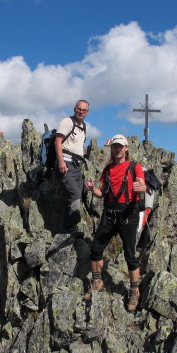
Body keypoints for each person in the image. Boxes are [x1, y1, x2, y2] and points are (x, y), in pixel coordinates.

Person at [84, 134, 147, 312]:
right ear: (112, 148)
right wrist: (91, 189)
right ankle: (97, 282)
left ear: (126, 148)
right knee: (96, 248)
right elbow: (101, 192)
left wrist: (139, 188)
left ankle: (134, 290)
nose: (117, 149)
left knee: (130, 254)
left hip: (129, 213)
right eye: (115, 146)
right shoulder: (108, 170)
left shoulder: (135, 167)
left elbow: (143, 185)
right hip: (110, 213)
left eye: (120, 146)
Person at [55, 100, 89, 234]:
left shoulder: (83, 126)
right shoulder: (67, 122)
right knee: (74, 194)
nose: (81, 112)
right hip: (66, 163)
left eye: (84, 110)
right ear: (75, 109)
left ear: (87, 112)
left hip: (77, 165)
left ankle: (70, 227)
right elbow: (57, 141)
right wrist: (61, 161)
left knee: (78, 195)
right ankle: (69, 227)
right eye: (79, 109)